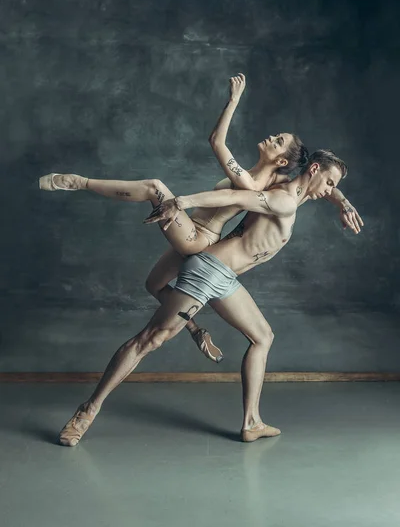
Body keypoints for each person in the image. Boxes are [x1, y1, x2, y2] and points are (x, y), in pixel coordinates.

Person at [40, 149, 363, 446]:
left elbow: (326, 189)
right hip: (209, 270)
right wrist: (182, 201)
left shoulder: (297, 190)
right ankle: (87, 411)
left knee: (263, 337)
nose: (330, 189)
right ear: (315, 169)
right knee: (150, 340)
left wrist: (343, 201)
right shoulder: (285, 199)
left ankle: (251, 422)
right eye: (329, 181)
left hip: (226, 278)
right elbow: (233, 195)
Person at [40, 75, 362, 365]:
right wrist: (342, 201)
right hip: (193, 233)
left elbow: (290, 184)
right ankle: (194, 329)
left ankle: (77, 182)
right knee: (153, 285)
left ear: (280, 160)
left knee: (155, 188)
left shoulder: (253, 184)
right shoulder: (262, 177)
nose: (272, 136)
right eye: (277, 135)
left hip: (198, 237)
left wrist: (234, 101)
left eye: (278, 141)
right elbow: (221, 144)